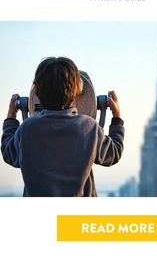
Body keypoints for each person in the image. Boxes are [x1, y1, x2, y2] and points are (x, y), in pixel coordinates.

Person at [1, 57, 124, 197]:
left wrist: (11, 117)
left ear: (37, 92)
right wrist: (117, 118)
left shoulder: (27, 129)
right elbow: (114, 153)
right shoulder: (88, 128)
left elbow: (8, 153)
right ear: (78, 89)